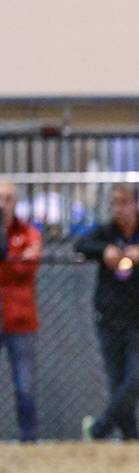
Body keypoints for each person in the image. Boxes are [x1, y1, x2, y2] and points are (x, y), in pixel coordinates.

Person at [76, 183, 139, 441]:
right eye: (114, 203)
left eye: (124, 202)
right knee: (116, 381)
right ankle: (131, 438)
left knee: (136, 379)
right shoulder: (106, 232)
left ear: (135, 203)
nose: (118, 208)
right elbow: (80, 244)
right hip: (110, 316)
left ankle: (98, 429)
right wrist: (105, 251)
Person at [0, 182, 43, 442]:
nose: (2, 205)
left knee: (24, 386)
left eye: (7, 199)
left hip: (20, 318)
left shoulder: (28, 232)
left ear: (15, 202)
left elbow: (26, 267)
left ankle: (29, 438)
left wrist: (9, 257)